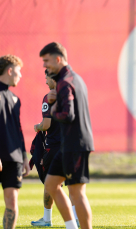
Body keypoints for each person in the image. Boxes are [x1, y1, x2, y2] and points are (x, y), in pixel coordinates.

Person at [40, 42, 94, 229]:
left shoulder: (65, 82)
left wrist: (53, 108)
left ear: (58, 59)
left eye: (46, 61)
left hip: (75, 145)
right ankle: (72, 227)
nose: (45, 66)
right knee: (51, 184)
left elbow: (67, 115)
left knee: (77, 193)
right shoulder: (75, 78)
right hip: (70, 145)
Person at [31, 70, 79, 227]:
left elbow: (46, 125)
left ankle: (47, 219)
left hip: (54, 147)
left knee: (50, 183)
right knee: (72, 185)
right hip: (72, 145)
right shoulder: (71, 94)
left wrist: (37, 127)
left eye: (46, 77)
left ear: (52, 77)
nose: (45, 81)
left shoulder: (49, 97)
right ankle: (77, 220)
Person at [0, 54, 30, 229]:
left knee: (12, 201)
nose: (20, 75)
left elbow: (18, 131)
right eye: (18, 71)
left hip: (14, 158)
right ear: (10, 70)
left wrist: (24, 157)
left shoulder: (15, 99)